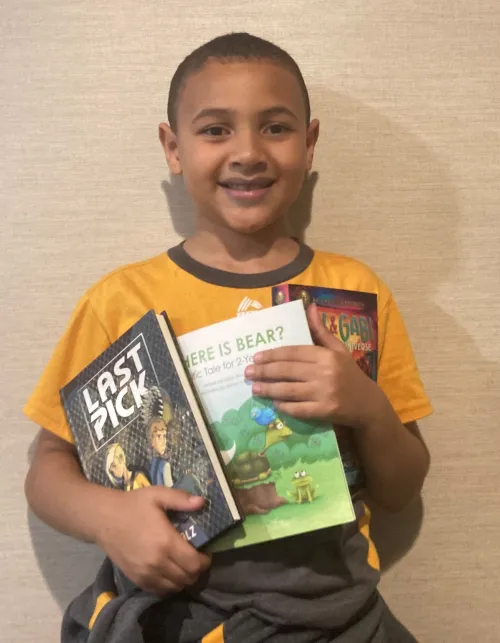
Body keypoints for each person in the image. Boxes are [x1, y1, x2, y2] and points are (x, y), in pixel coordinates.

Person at [24, 32, 432, 643]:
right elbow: (47, 468)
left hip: (331, 612)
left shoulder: (352, 290)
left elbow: (402, 489)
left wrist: (367, 407)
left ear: (310, 142)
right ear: (173, 148)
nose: (247, 152)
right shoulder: (120, 301)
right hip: (177, 607)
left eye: (275, 128)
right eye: (215, 130)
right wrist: (110, 519)